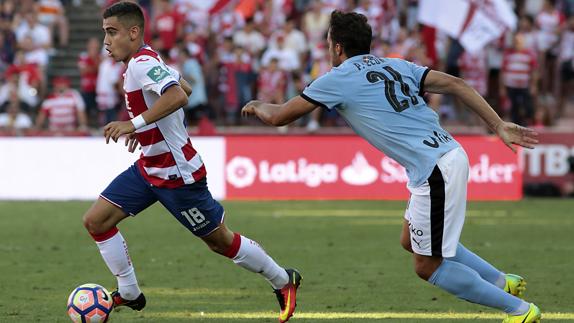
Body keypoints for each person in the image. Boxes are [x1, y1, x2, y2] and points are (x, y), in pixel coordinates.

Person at [242, 11, 541, 323]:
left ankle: (519, 310)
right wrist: (498, 124)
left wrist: (258, 105)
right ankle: (502, 282)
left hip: (434, 169)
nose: (329, 49)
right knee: (411, 241)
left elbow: (280, 116)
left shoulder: (337, 79)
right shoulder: (396, 65)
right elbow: (456, 83)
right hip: (443, 157)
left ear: (339, 48)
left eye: (329, 44)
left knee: (427, 265)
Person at [82, 3, 301, 323]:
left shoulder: (142, 63)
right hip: (150, 168)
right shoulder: (141, 60)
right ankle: (129, 292)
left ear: (133, 32)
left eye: (112, 32)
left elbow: (179, 96)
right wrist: (145, 129)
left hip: (177, 174)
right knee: (96, 221)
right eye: (105, 33)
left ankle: (283, 279)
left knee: (220, 241)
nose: (106, 41)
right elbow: (184, 85)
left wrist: (135, 124)